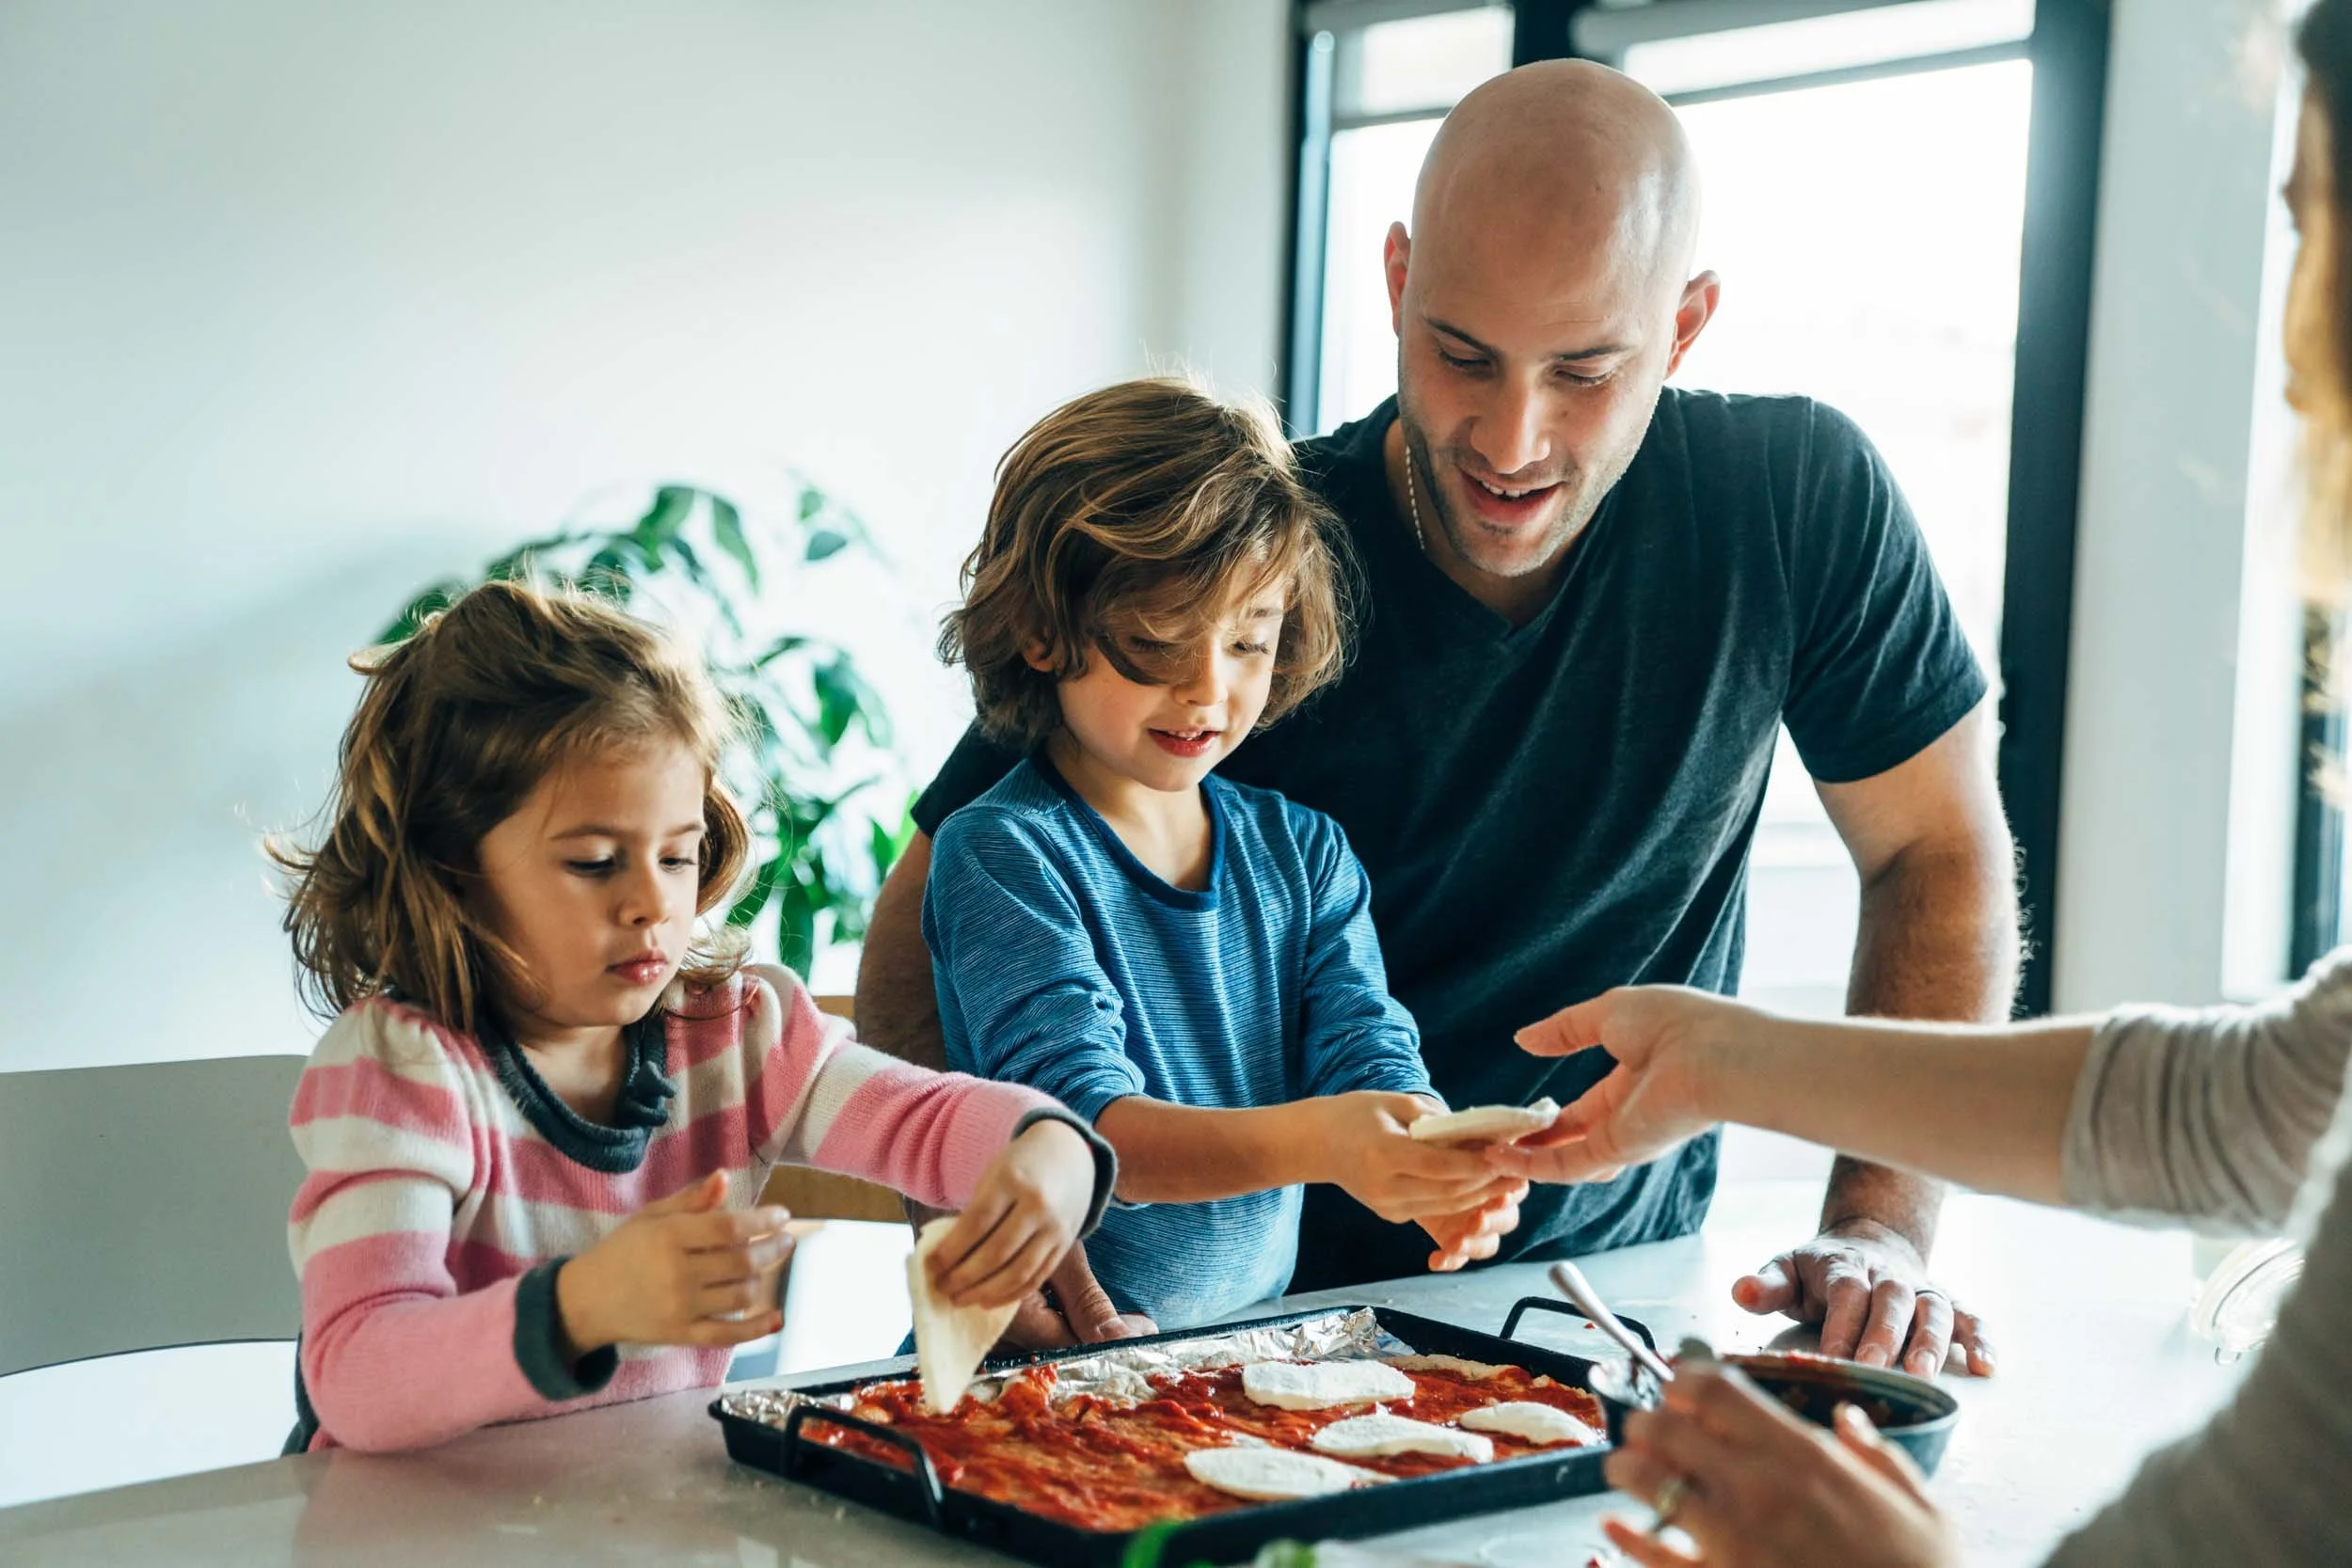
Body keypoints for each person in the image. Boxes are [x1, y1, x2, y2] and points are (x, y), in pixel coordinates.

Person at [858, 58, 2017, 1372]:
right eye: (1463, 356)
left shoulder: (1794, 500)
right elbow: (933, 897)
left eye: (1586, 371)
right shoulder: (1245, 564)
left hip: (1602, 1293)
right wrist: (979, 1200)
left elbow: (1936, 851)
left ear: (1685, 325)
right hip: (1227, 1334)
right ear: (1398, 280)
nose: (1513, 438)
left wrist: (1880, 1226)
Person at [1488, 18, 2352, 1538]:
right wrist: (1724, 1060)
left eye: (2304, 227)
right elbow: (2268, 1101)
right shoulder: (1261, 534)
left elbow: (2260, 1520)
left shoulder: (1786, 499)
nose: (2288, 351)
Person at [271, 580, 1112, 1452]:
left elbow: (922, 1118)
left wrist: (1047, 1150)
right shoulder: (401, 1073)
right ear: (451, 867)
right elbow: (357, 1381)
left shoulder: (733, 1032)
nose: (652, 903)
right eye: (595, 862)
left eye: (676, 854)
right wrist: (583, 1304)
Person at [921, 377, 1529, 1330]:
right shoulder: (1004, 854)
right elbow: (1091, 1134)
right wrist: (1329, 1140)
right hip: (1030, 1364)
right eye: (1157, 640)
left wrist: (1423, 1148)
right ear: (1041, 631)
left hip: (1232, 1360)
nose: (1208, 688)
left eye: (1249, 638)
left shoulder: (1305, 853)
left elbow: (1365, 1049)